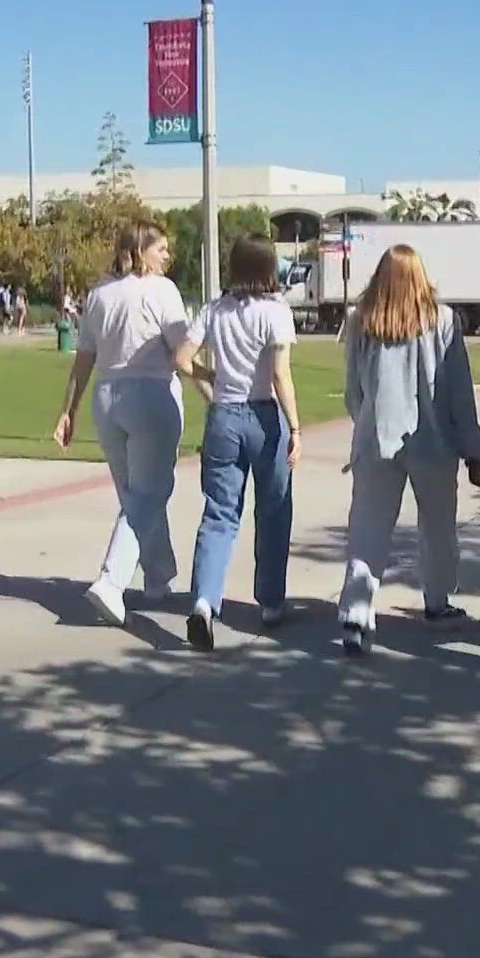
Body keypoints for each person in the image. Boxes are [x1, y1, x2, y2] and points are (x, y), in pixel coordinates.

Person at [337, 245, 480, 656]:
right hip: (433, 440)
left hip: (376, 439)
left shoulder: (361, 321)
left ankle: (356, 612)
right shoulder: (443, 321)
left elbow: (353, 392)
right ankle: (437, 603)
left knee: (368, 529)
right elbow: (459, 393)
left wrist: (367, 420)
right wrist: (473, 448)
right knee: (438, 529)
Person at [53, 222, 193, 624]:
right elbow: (182, 347)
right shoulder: (161, 291)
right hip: (150, 395)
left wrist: (69, 409)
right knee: (148, 494)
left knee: (137, 495)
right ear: (140, 250)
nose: (167, 257)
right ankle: (112, 581)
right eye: (161, 249)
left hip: (106, 398)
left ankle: (158, 575)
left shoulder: (98, 294)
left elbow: (84, 358)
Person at [170, 234, 302, 651]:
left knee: (220, 514)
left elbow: (181, 358)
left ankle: (205, 601)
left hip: (224, 416)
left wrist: (211, 378)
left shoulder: (215, 309)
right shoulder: (275, 312)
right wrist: (296, 427)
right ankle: (271, 600)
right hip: (264, 414)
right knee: (274, 508)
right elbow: (280, 373)